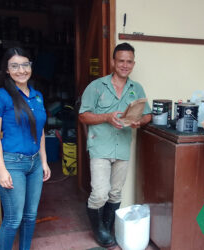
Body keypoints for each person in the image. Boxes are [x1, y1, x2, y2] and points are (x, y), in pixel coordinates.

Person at [78, 42, 151, 247]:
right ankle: (98, 229)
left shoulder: (136, 88)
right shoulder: (96, 86)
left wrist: (139, 121)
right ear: (113, 62)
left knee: (115, 192)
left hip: (123, 146)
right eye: (121, 61)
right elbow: (83, 116)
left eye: (129, 61)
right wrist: (107, 117)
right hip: (100, 146)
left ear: (133, 64)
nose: (125, 65)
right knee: (100, 193)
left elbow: (148, 115)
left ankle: (107, 227)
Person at [0, 47, 51, 250]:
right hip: (11, 163)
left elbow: (39, 131)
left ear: (31, 66)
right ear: (6, 70)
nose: (21, 70)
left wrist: (44, 161)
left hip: (34, 164)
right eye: (14, 66)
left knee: (30, 216)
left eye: (25, 64)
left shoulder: (37, 96)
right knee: (14, 218)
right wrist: (2, 169)